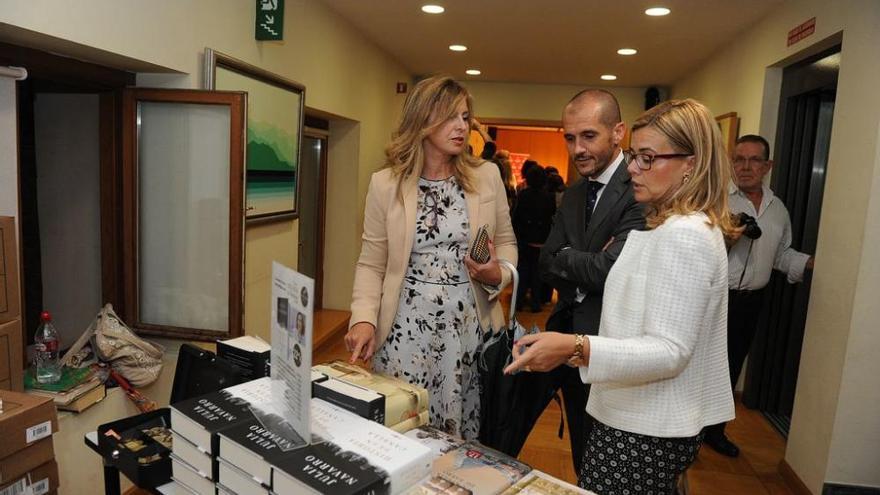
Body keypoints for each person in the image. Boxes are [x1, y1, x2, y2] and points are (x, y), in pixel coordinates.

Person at [507, 98, 737, 493]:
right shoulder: (667, 224)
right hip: (636, 415)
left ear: (692, 164)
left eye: (648, 158)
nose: (632, 168)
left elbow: (669, 351)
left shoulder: (684, 234)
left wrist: (574, 347)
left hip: (645, 426)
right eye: (635, 155)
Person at [345, 75, 517, 440]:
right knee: (403, 428)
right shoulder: (385, 184)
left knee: (462, 430)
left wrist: (497, 274)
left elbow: (506, 243)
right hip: (404, 328)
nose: (461, 127)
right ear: (422, 120)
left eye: (466, 117)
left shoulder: (486, 177)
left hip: (468, 328)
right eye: (450, 117)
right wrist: (363, 319)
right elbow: (371, 262)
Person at [533, 89, 645, 472]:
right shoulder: (575, 192)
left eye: (589, 136)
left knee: (614, 462)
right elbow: (545, 262)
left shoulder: (642, 190)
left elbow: (612, 270)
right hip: (568, 342)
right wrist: (586, 263)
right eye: (569, 137)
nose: (577, 148)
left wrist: (572, 260)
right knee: (583, 454)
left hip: (615, 349)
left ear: (618, 132)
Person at [702, 134, 815, 457]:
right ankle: (686, 433)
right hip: (714, 297)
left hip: (751, 302)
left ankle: (715, 432)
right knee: (701, 365)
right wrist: (728, 239)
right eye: (739, 159)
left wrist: (813, 264)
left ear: (768, 166)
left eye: (753, 160)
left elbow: (781, 255)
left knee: (732, 365)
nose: (745, 167)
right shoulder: (715, 200)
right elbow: (697, 251)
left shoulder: (777, 209)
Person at [512, 165, 556, 312]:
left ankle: (518, 302)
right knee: (537, 275)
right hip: (542, 241)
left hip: (525, 240)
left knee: (523, 272)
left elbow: (516, 218)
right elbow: (551, 218)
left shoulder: (523, 195)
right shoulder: (549, 197)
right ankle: (536, 304)